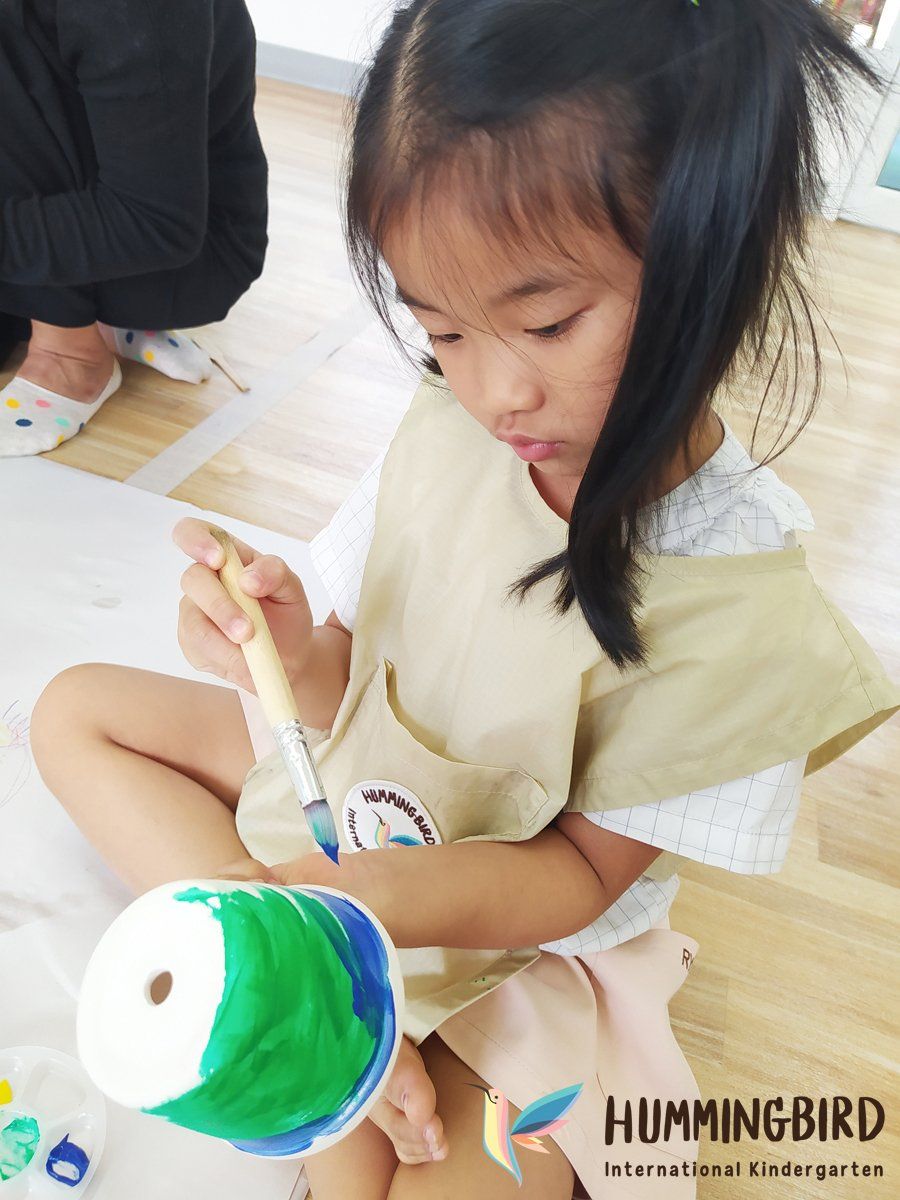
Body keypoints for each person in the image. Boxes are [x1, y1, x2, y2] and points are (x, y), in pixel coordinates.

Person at [30, 1, 899, 1197]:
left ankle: (322, 1023)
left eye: (545, 323)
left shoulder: (739, 616)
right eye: (440, 328)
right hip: (357, 804)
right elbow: (352, 672)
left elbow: (579, 879)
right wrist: (283, 646)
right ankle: (305, 1005)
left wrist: (379, 907)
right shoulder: (450, 428)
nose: (490, 391)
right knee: (76, 709)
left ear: (713, 254)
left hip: (504, 932)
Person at [0, 0, 267, 457]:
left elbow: (157, 222)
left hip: (178, 252)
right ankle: (93, 319)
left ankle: (69, 351)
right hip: (91, 214)